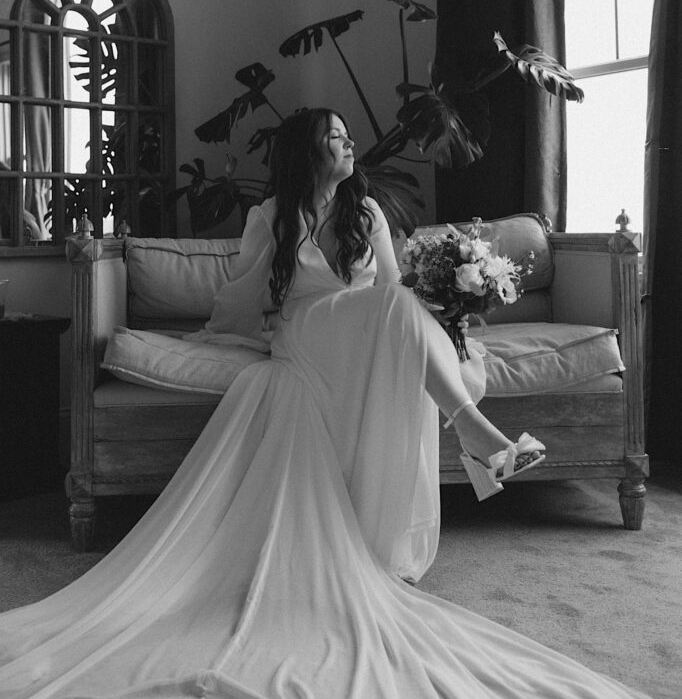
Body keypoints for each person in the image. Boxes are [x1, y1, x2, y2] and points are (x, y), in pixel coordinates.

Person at [0, 108, 650, 699]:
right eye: (336, 138)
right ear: (308, 153)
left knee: (395, 305)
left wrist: (441, 331)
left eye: (346, 136)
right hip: (308, 332)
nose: (350, 145)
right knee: (390, 308)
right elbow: (241, 293)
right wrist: (220, 336)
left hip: (370, 330)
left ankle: (471, 428)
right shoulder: (270, 217)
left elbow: (395, 293)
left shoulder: (365, 214)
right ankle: (476, 432)